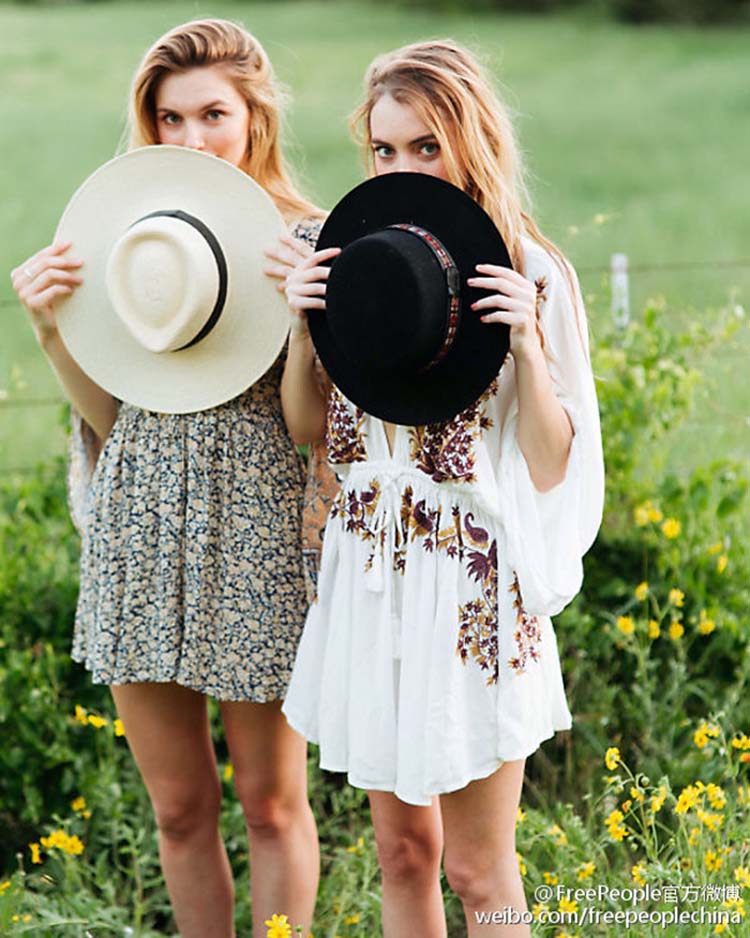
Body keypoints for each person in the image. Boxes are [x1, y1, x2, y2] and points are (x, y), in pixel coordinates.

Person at [273, 40, 604, 937]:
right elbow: (310, 429)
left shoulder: (529, 270)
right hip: (367, 570)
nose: (403, 167)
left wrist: (526, 346)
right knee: (403, 855)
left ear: (471, 140)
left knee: (477, 868)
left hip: (468, 584)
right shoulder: (357, 258)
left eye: (426, 146)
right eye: (385, 149)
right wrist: (304, 329)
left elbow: (551, 463)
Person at [9, 19, 323, 938]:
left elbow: (310, 427)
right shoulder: (128, 237)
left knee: (270, 803)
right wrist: (53, 333)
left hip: (259, 529)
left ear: (256, 115)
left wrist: (304, 317)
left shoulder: (302, 241)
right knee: (179, 810)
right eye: (170, 118)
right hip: (138, 523)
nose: (190, 138)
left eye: (212, 115)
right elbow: (116, 422)